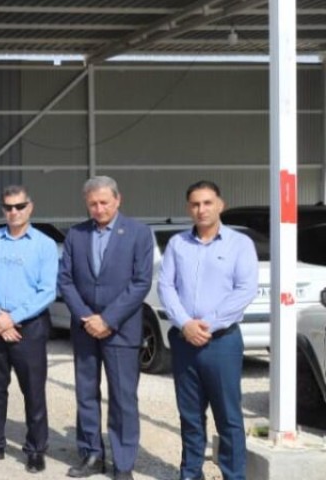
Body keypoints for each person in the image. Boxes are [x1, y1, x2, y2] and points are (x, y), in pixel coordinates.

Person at [158, 180, 257, 480]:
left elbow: (245, 289)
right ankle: (190, 473)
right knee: (190, 415)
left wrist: (208, 324)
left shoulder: (240, 244)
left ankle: (233, 475)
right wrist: (185, 324)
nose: (201, 209)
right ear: (189, 208)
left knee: (228, 417)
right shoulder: (177, 244)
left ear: (220, 205)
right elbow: (166, 286)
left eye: (207, 203)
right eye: (195, 204)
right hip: (184, 341)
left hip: (221, 343)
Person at [58, 176, 154, 480]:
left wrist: (108, 319)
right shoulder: (76, 234)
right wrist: (87, 317)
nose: (99, 209)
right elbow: (65, 280)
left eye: (104, 202)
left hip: (121, 329)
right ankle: (91, 454)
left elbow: (141, 282)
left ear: (118, 199)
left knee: (123, 398)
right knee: (86, 393)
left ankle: (123, 463)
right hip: (85, 328)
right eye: (93, 204)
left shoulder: (139, 233)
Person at [0, 185, 58, 473]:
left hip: (29, 326)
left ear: (30, 207)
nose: (14, 212)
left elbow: (47, 290)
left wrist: (13, 317)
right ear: (2, 209)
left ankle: (36, 449)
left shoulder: (44, 244)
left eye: (19, 206)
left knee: (33, 390)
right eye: (8, 207)